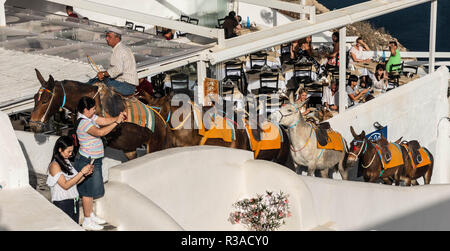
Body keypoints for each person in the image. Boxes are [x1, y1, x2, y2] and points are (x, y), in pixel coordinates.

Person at [74, 96, 127, 230]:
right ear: (86, 110)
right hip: (87, 160)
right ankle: (87, 220)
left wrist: (117, 118)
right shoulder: (83, 123)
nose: (94, 111)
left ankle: (90, 215)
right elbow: (100, 132)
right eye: (92, 109)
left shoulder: (88, 117)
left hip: (94, 159)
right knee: (87, 192)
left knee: (92, 190)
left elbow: (102, 121)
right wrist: (116, 123)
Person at [46, 136, 94, 224]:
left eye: (72, 151)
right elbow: (65, 185)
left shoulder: (66, 161)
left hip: (73, 201)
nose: (71, 154)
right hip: (62, 203)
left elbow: (74, 182)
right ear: (60, 149)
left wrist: (85, 174)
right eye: (69, 151)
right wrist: (81, 172)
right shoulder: (54, 165)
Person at [88, 27, 138, 96]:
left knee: (91, 83)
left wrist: (103, 74)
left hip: (125, 86)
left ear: (117, 38)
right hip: (128, 86)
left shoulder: (119, 50)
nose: (106, 39)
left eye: (109, 37)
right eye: (106, 36)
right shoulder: (124, 48)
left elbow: (118, 69)